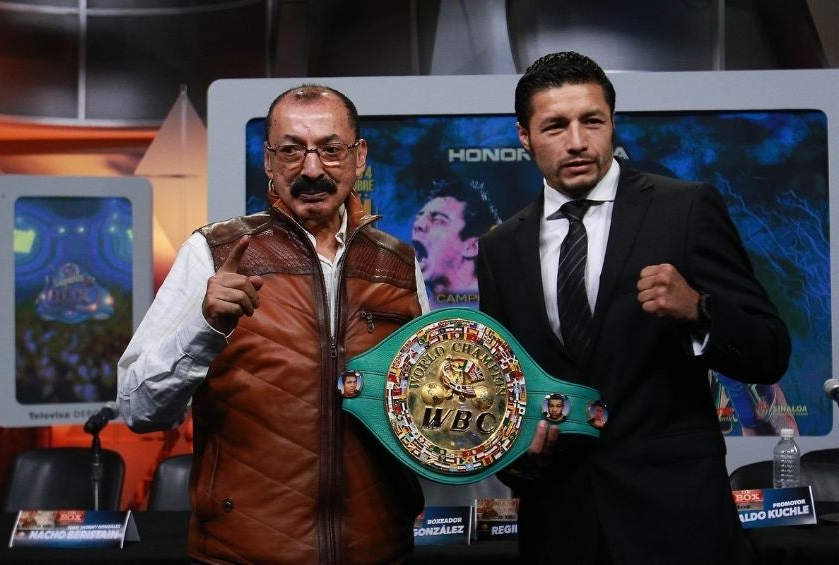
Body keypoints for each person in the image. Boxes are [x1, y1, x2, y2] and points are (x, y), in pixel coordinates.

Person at [476, 51, 791, 564]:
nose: (577, 141)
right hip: (561, 525)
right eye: (555, 125)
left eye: (592, 121)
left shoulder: (685, 208)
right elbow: (504, 388)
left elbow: (770, 350)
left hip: (677, 522)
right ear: (524, 136)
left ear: (612, 123)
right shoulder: (500, 247)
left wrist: (699, 311)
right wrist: (516, 455)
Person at [117, 84, 430, 564]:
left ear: (358, 156)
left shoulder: (399, 264)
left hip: (378, 548)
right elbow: (139, 408)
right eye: (291, 150)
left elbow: (428, 411)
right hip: (244, 552)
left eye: (330, 150)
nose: (311, 169)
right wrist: (204, 326)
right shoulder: (213, 252)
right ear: (267, 160)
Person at [411, 178, 499, 309]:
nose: (418, 224)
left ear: (471, 246)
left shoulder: (503, 312)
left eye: (438, 219)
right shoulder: (413, 312)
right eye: (419, 217)